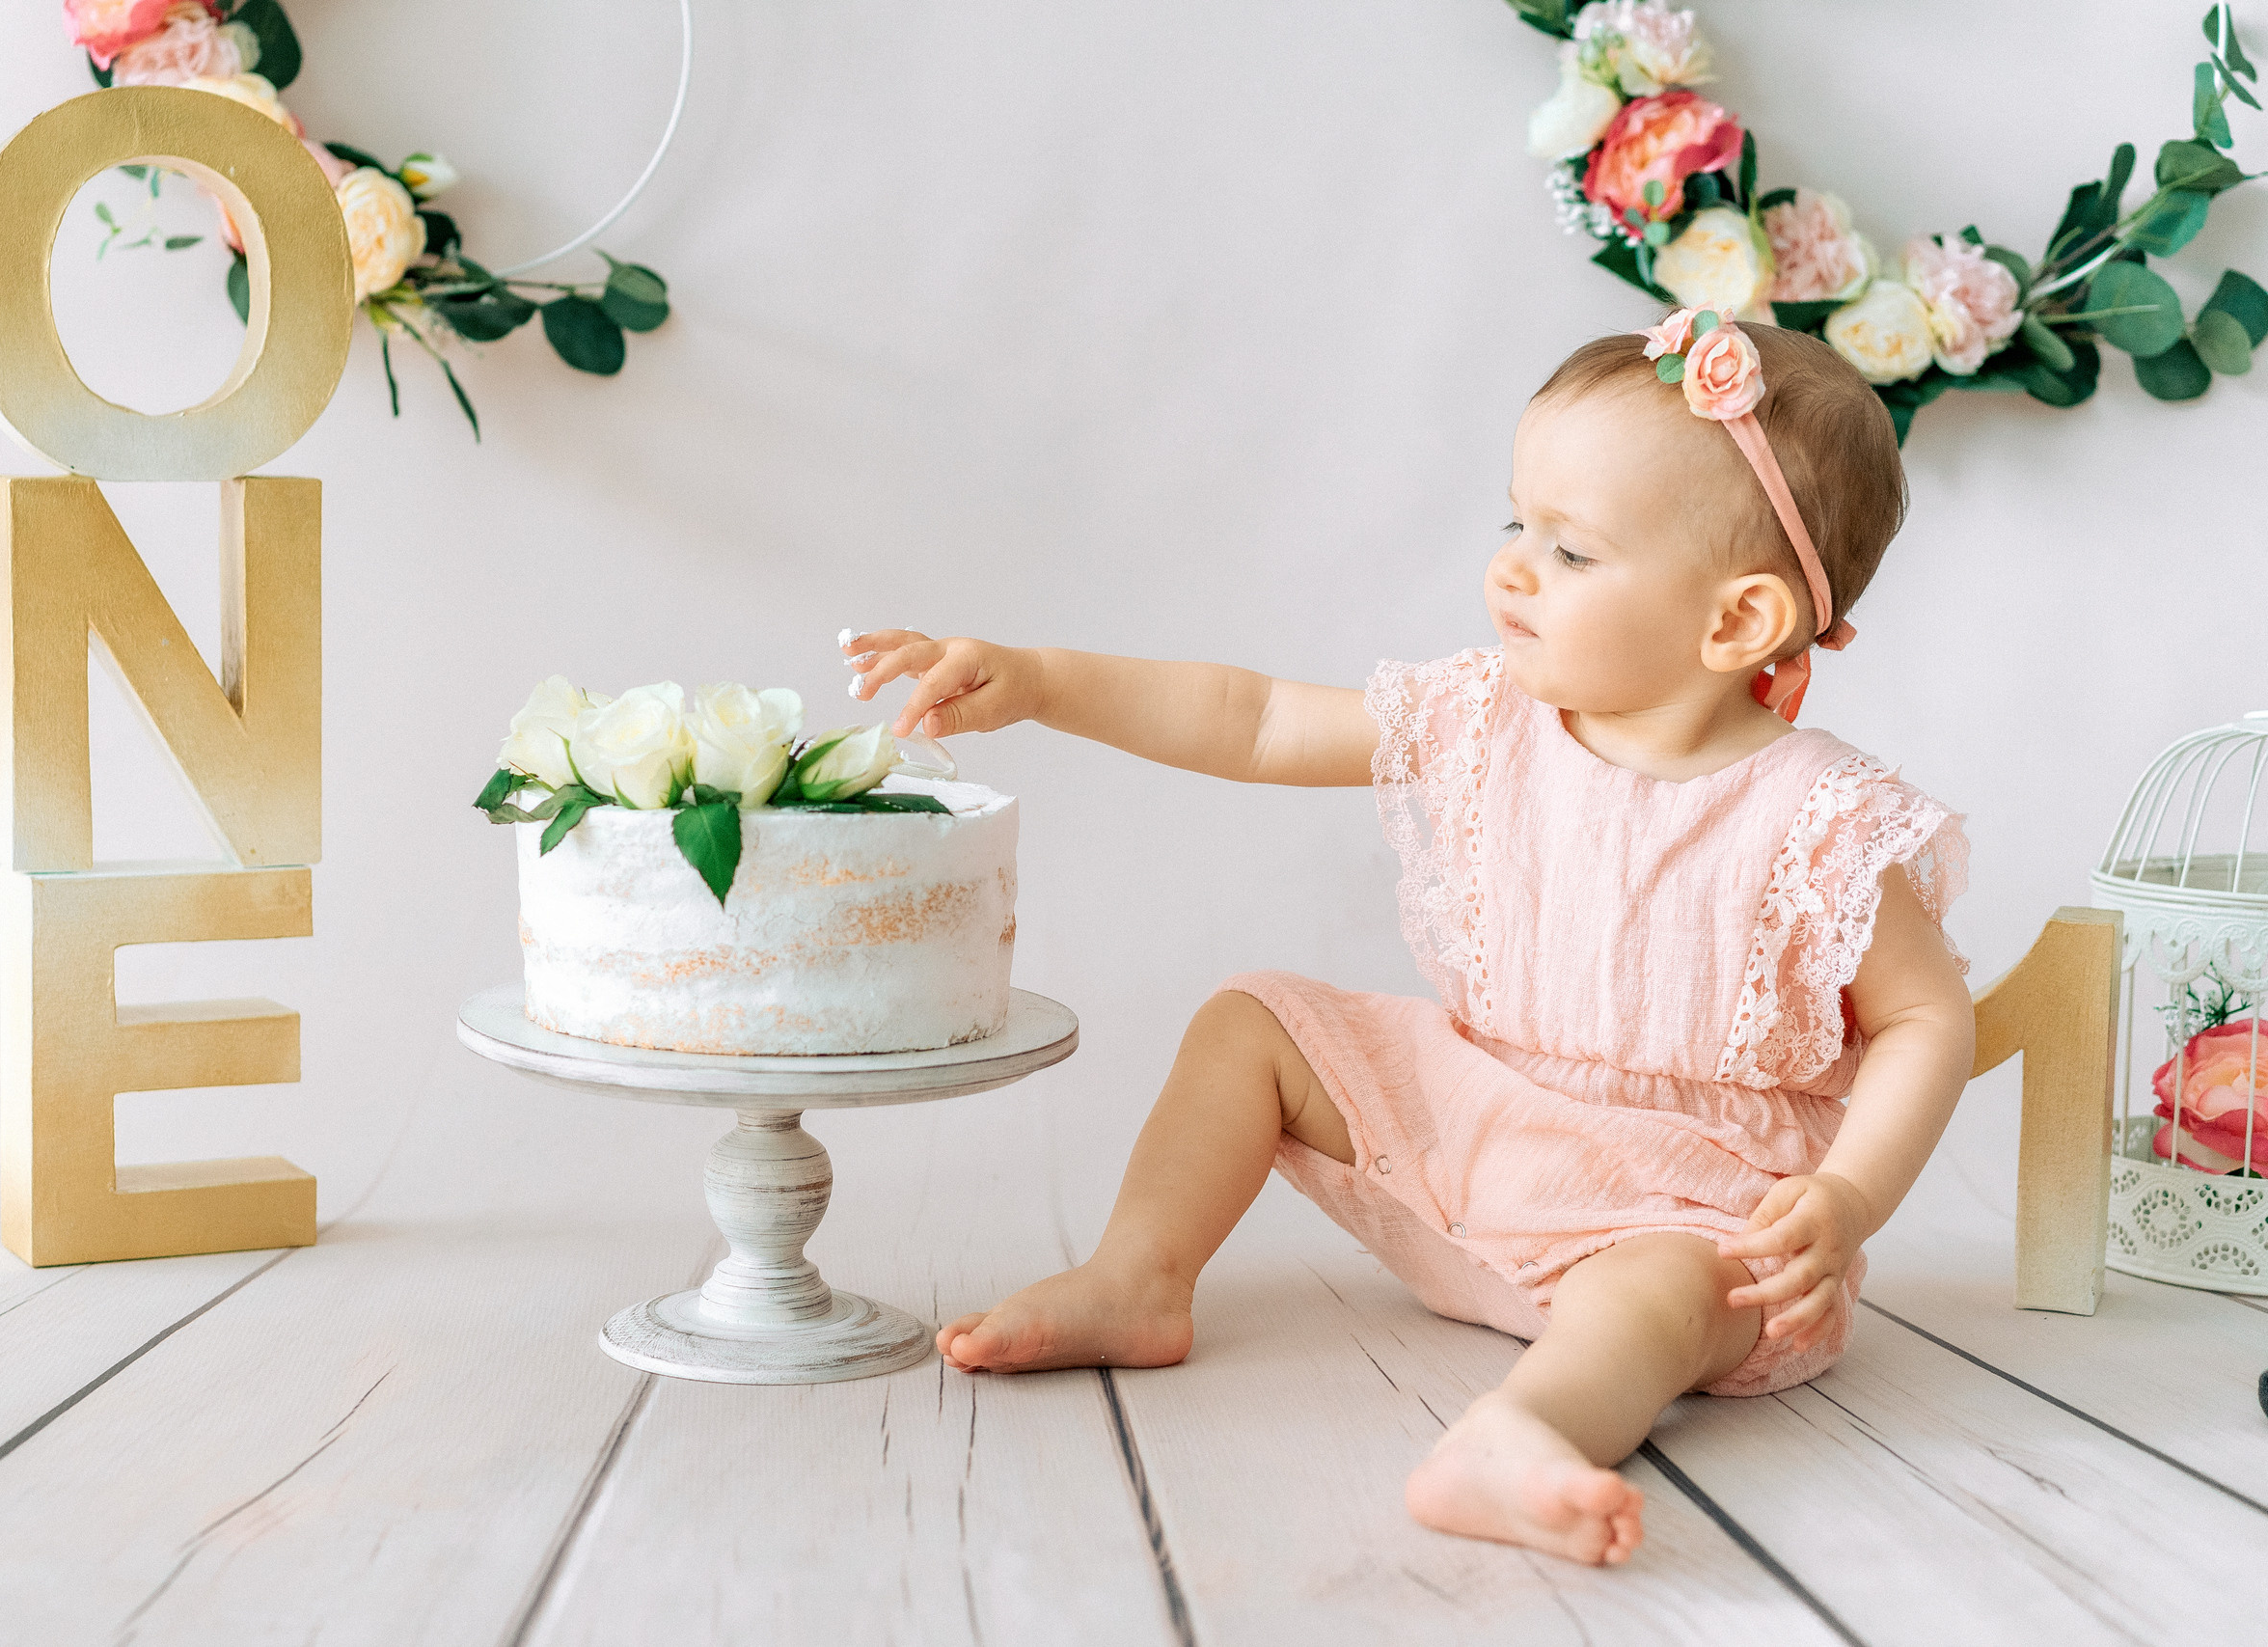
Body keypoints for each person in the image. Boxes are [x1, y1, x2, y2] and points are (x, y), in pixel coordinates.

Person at [839, 312, 1975, 1568]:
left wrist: (1846, 1199)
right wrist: (1048, 679)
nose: (1512, 571)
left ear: (1735, 622)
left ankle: (1526, 1432)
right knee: (1253, 1023)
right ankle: (1140, 1274)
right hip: (1475, 1129)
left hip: (1680, 1203)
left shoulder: (1817, 820)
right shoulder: (1484, 717)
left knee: (1667, 1297)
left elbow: (1926, 1021)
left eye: (1571, 549)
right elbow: (1254, 717)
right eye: (1516, 526)